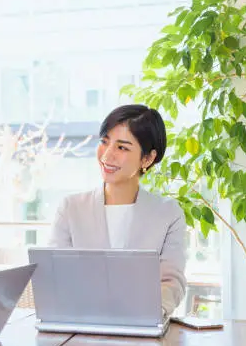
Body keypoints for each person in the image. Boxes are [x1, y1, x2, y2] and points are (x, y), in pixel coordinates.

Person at [48, 104, 186, 316]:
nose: (107, 155)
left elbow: (171, 282)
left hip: (143, 327)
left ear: (147, 159)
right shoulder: (70, 208)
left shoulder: (168, 213)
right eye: (104, 142)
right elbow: (54, 277)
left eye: (122, 147)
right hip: (81, 325)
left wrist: (147, 313)